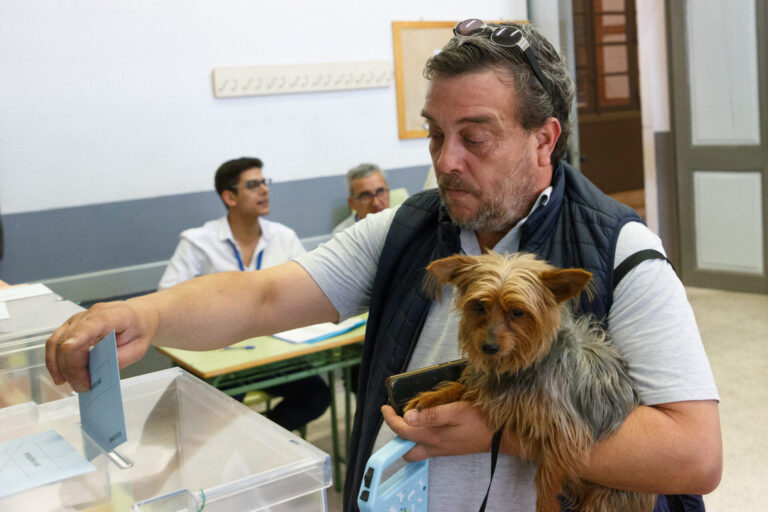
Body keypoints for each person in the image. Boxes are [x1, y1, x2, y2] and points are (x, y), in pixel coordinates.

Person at [46, 20, 721, 512]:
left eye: (474, 137)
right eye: (435, 133)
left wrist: (507, 435)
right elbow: (262, 298)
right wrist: (144, 313)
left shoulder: (618, 252)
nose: (445, 159)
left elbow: (696, 456)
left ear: (544, 139)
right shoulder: (404, 229)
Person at [158, 156, 331, 433]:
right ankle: (237, 444)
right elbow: (166, 297)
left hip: (273, 355)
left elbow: (312, 288)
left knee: (316, 396)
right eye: (253, 185)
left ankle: (260, 441)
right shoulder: (198, 242)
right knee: (220, 412)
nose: (264, 190)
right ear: (229, 197)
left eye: (264, 182)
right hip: (220, 358)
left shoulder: (283, 237)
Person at [332, 163, 390, 234]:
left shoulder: (401, 222)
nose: (376, 203)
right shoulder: (343, 235)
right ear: (352, 203)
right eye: (365, 196)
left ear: (388, 193)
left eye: (380, 191)